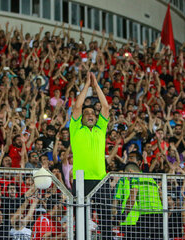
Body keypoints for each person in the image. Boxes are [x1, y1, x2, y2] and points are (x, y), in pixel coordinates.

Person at [69, 71, 110, 239]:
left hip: (101, 179)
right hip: (81, 180)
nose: (90, 115)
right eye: (87, 114)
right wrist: (87, 85)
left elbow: (105, 107)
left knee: (106, 218)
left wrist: (96, 86)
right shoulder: (76, 129)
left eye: (93, 113)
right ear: (81, 119)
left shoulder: (101, 129)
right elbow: (77, 107)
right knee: (81, 218)